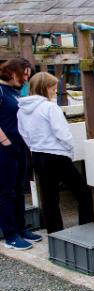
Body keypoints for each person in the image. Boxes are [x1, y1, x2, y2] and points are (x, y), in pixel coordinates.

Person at [17, 72, 94, 234]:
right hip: (57, 155)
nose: (54, 92)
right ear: (45, 88)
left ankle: (54, 233)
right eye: (52, 88)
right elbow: (62, 133)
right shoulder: (50, 107)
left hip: (37, 155)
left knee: (49, 197)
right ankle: (87, 229)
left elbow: (23, 133)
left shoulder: (22, 109)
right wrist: (69, 151)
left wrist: (34, 147)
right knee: (83, 193)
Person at [0, 58, 40, 250]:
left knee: (19, 190)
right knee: (6, 192)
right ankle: (10, 235)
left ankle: (21, 228)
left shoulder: (15, 91)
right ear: (13, 71)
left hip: (20, 147)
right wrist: (6, 142)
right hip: (4, 149)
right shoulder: (0, 90)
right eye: (24, 75)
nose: (25, 79)